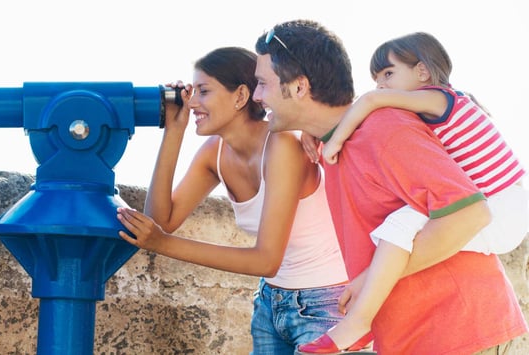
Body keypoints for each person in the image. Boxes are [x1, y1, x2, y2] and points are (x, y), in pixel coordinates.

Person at [252, 19, 528, 354]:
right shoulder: (334, 143)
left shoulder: (384, 128)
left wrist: (368, 280)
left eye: (262, 84)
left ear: (298, 87)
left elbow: (469, 214)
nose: (256, 96)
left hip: (461, 334)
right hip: (413, 337)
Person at [116, 46, 350, 354]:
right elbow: (162, 221)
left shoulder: (282, 144)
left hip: (324, 304)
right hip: (270, 302)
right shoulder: (215, 151)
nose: (193, 101)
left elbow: (266, 259)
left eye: (203, 91)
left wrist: (162, 244)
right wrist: (174, 130)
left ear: (240, 96)